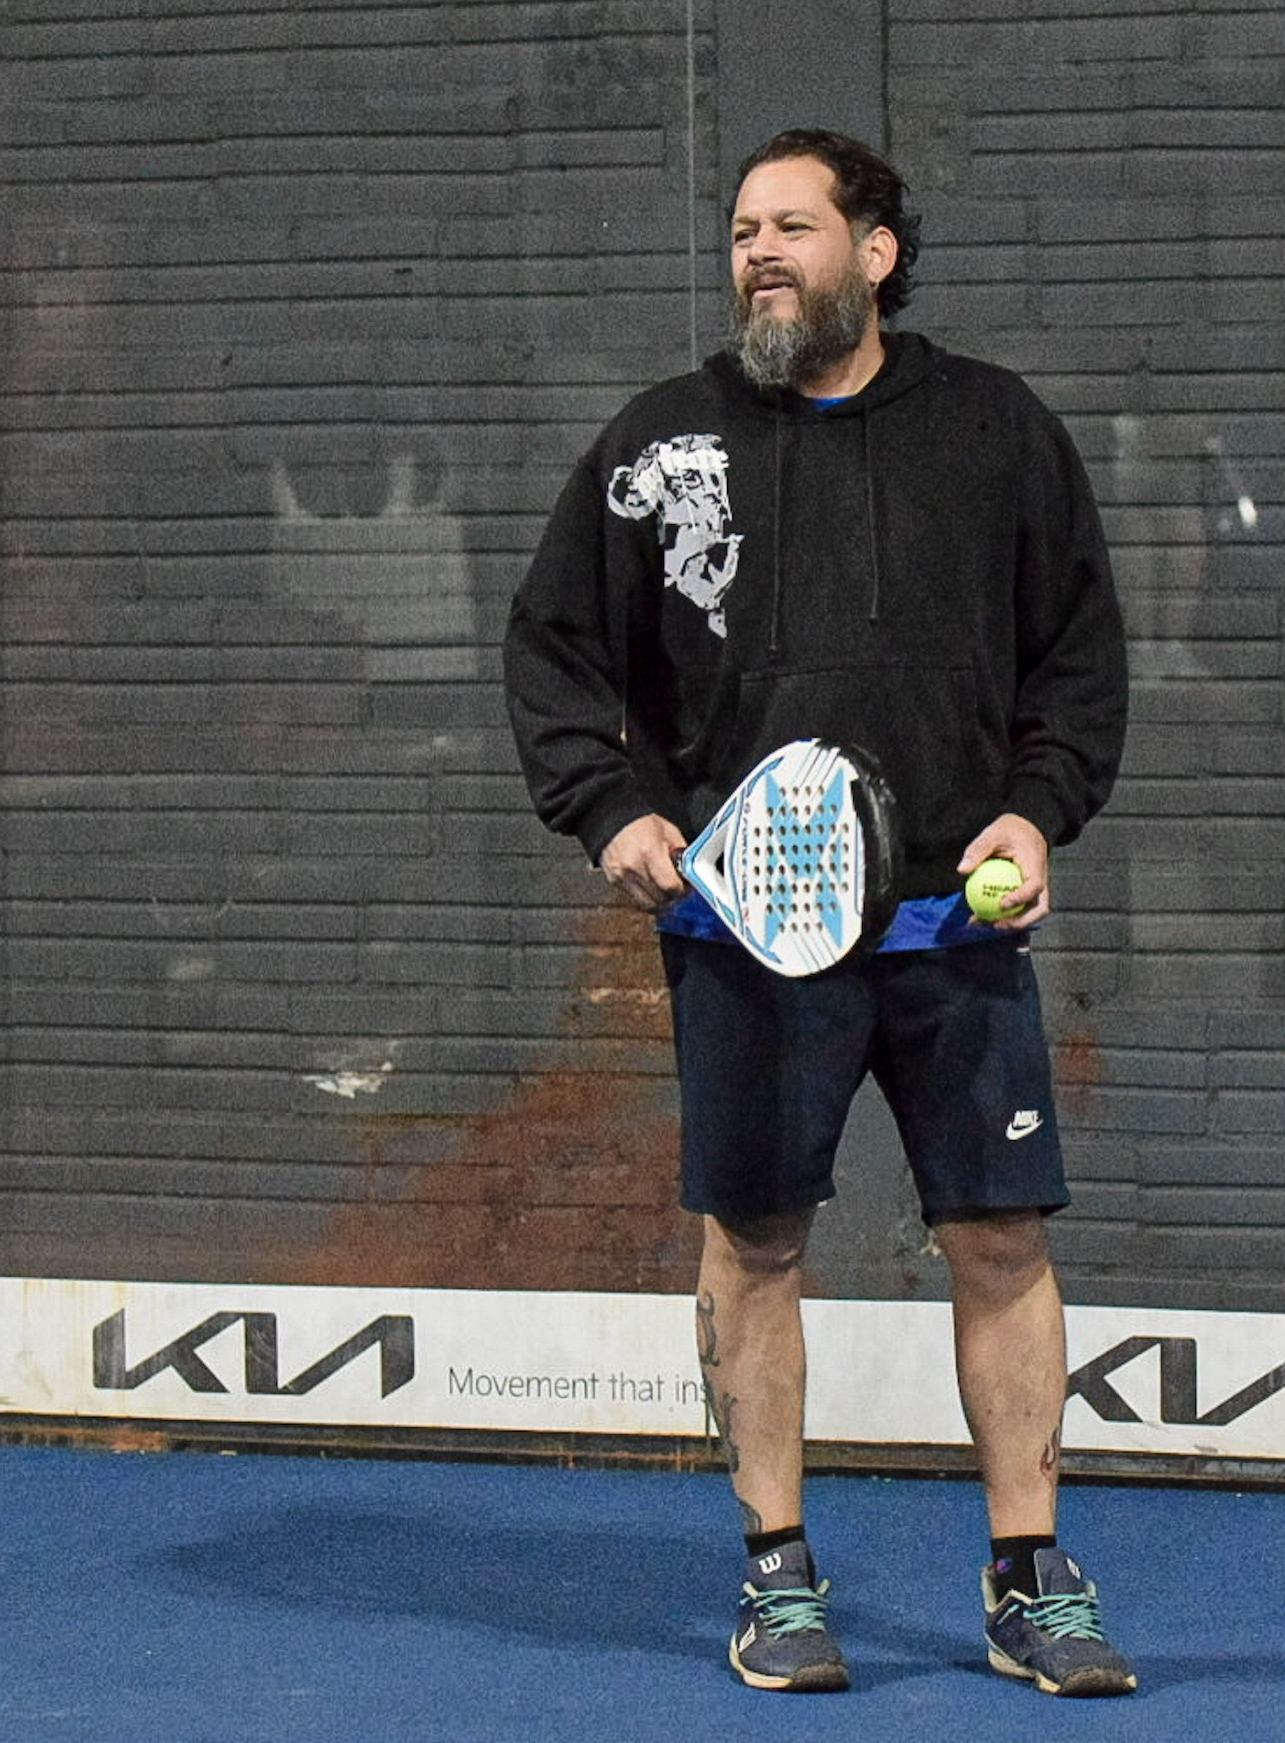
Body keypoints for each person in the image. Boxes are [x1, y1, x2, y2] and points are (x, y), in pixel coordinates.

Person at [504, 127, 1134, 1698]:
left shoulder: (995, 432)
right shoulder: (662, 447)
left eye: (792, 227)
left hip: (951, 935)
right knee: (757, 1240)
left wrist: (1036, 806)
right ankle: (777, 1576)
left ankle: (1031, 1581)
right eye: (742, 232)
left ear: (877, 252)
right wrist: (611, 808)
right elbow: (557, 652)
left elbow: (1076, 656)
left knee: (1000, 1240)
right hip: (746, 936)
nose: (760, 254)